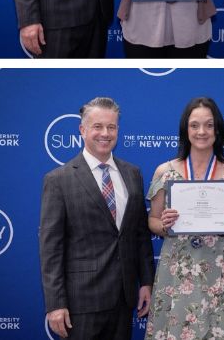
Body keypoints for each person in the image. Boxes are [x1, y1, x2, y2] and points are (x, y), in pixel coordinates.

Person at [40, 97, 154, 340]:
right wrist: (55, 303)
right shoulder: (58, 180)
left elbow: (140, 235)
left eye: (111, 127)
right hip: (80, 304)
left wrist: (146, 282)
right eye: (97, 126)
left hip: (124, 299)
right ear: (82, 130)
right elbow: (51, 248)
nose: (105, 133)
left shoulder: (132, 174)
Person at [144, 96, 224, 340]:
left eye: (209, 125)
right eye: (194, 125)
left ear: (218, 129)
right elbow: (153, 220)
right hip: (177, 270)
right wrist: (164, 224)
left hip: (220, 270)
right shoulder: (165, 171)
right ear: (186, 129)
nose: (201, 131)